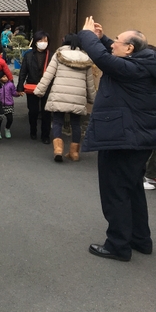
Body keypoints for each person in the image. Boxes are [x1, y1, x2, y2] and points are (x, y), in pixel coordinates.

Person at [78, 17, 156, 262]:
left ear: (130, 48)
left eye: (118, 42)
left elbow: (103, 59)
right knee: (132, 189)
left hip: (123, 139)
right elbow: (113, 52)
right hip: (135, 139)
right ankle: (140, 239)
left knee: (115, 192)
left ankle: (118, 245)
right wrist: (102, 38)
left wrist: (87, 35)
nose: (113, 45)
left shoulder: (132, 68)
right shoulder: (144, 62)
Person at [33, 34, 96, 162]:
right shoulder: (86, 59)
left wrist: (39, 90)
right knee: (75, 123)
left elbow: (48, 75)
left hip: (59, 93)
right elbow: (90, 82)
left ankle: (58, 150)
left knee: (57, 121)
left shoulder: (59, 55)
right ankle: (74, 153)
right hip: (78, 96)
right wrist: (92, 98)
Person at [18, 31, 52, 143]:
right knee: (33, 110)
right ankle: (33, 130)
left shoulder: (51, 56)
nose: (43, 43)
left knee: (46, 111)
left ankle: (45, 135)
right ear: (35, 42)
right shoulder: (28, 55)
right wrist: (20, 86)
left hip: (47, 86)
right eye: (40, 40)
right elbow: (23, 72)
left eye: (45, 40)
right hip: (32, 85)